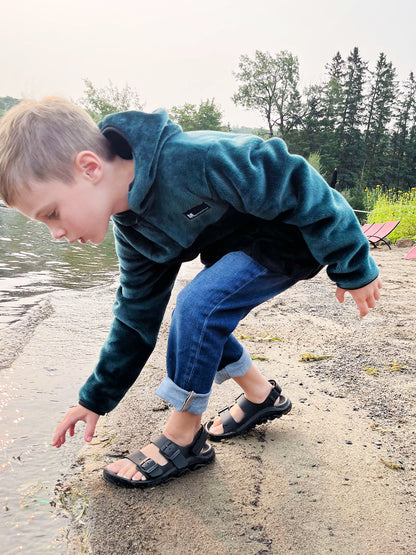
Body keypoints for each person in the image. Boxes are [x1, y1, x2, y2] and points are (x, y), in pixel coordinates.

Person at [0, 98, 382, 489]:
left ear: (90, 167)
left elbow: (294, 178)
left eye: (51, 214)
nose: (57, 234)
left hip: (291, 237)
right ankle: (261, 395)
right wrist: (94, 397)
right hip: (240, 250)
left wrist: (352, 262)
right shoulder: (133, 233)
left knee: (198, 307)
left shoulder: (194, 159)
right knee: (197, 324)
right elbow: (135, 321)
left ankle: (184, 438)